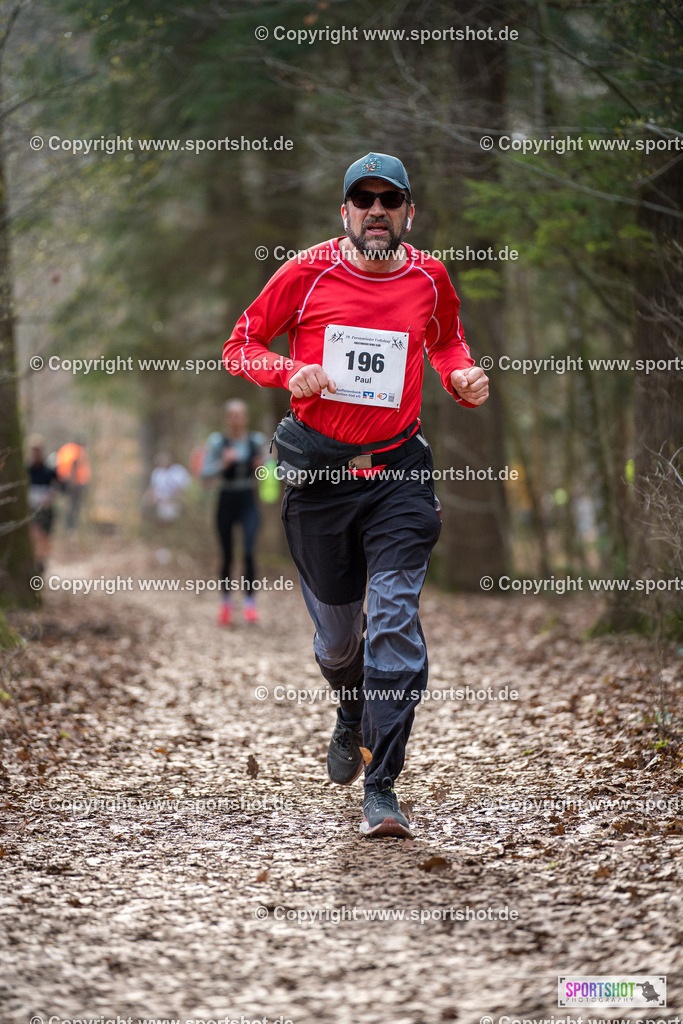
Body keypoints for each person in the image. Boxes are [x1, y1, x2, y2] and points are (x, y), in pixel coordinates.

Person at [223, 152, 489, 838]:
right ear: (344, 212)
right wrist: (290, 372)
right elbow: (240, 344)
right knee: (340, 642)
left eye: (389, 200)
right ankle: (349, 708)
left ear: (408, 212)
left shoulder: (429, 275)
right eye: (362, 200)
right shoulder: (306, 272)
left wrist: (461, 376)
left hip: (398, 469)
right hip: (319, 481)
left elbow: (447, 341)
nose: (376, 210)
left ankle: (382, 787)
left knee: (393, 622)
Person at [201, 400, 266, 625]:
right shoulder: (218, 442)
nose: (237, 419)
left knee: (248, 552)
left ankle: (250, 605)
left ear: (246, 417)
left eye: (241, 415)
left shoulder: (255, 441)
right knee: (227, 555)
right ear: (227, 418)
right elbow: (204, 474)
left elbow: (270, 475)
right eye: (233, 415)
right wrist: (223, 464)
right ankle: (226, 604)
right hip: (226, 499)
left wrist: (260, 468)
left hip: (248, 499)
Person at [26, 435, 59, 576]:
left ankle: (42, 561)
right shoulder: (26, 470)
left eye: (38, 450)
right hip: (33, 509)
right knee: (35, 533)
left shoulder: (49, 471)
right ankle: (36, 560)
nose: (36, 453)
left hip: (46, 510)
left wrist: (50, 496)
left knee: (45, 537)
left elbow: (58, 486)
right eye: (34, 450)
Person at [143, 451, 192, 524]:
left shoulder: (178, 470)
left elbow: (184, 489)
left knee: (167, 513)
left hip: (172, 499)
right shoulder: (157, 472)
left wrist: (171, 498)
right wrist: (150, 496)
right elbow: (153, 487)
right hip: (158, 499)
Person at [56, 439, 91, 531]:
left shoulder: (68, 449)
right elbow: (73, 466)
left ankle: (68, 526)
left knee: (70, 505)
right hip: (75, 484)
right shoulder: (77, 451)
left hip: (65, 481)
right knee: (74, 506)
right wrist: (73, 484)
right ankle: (71, 527)